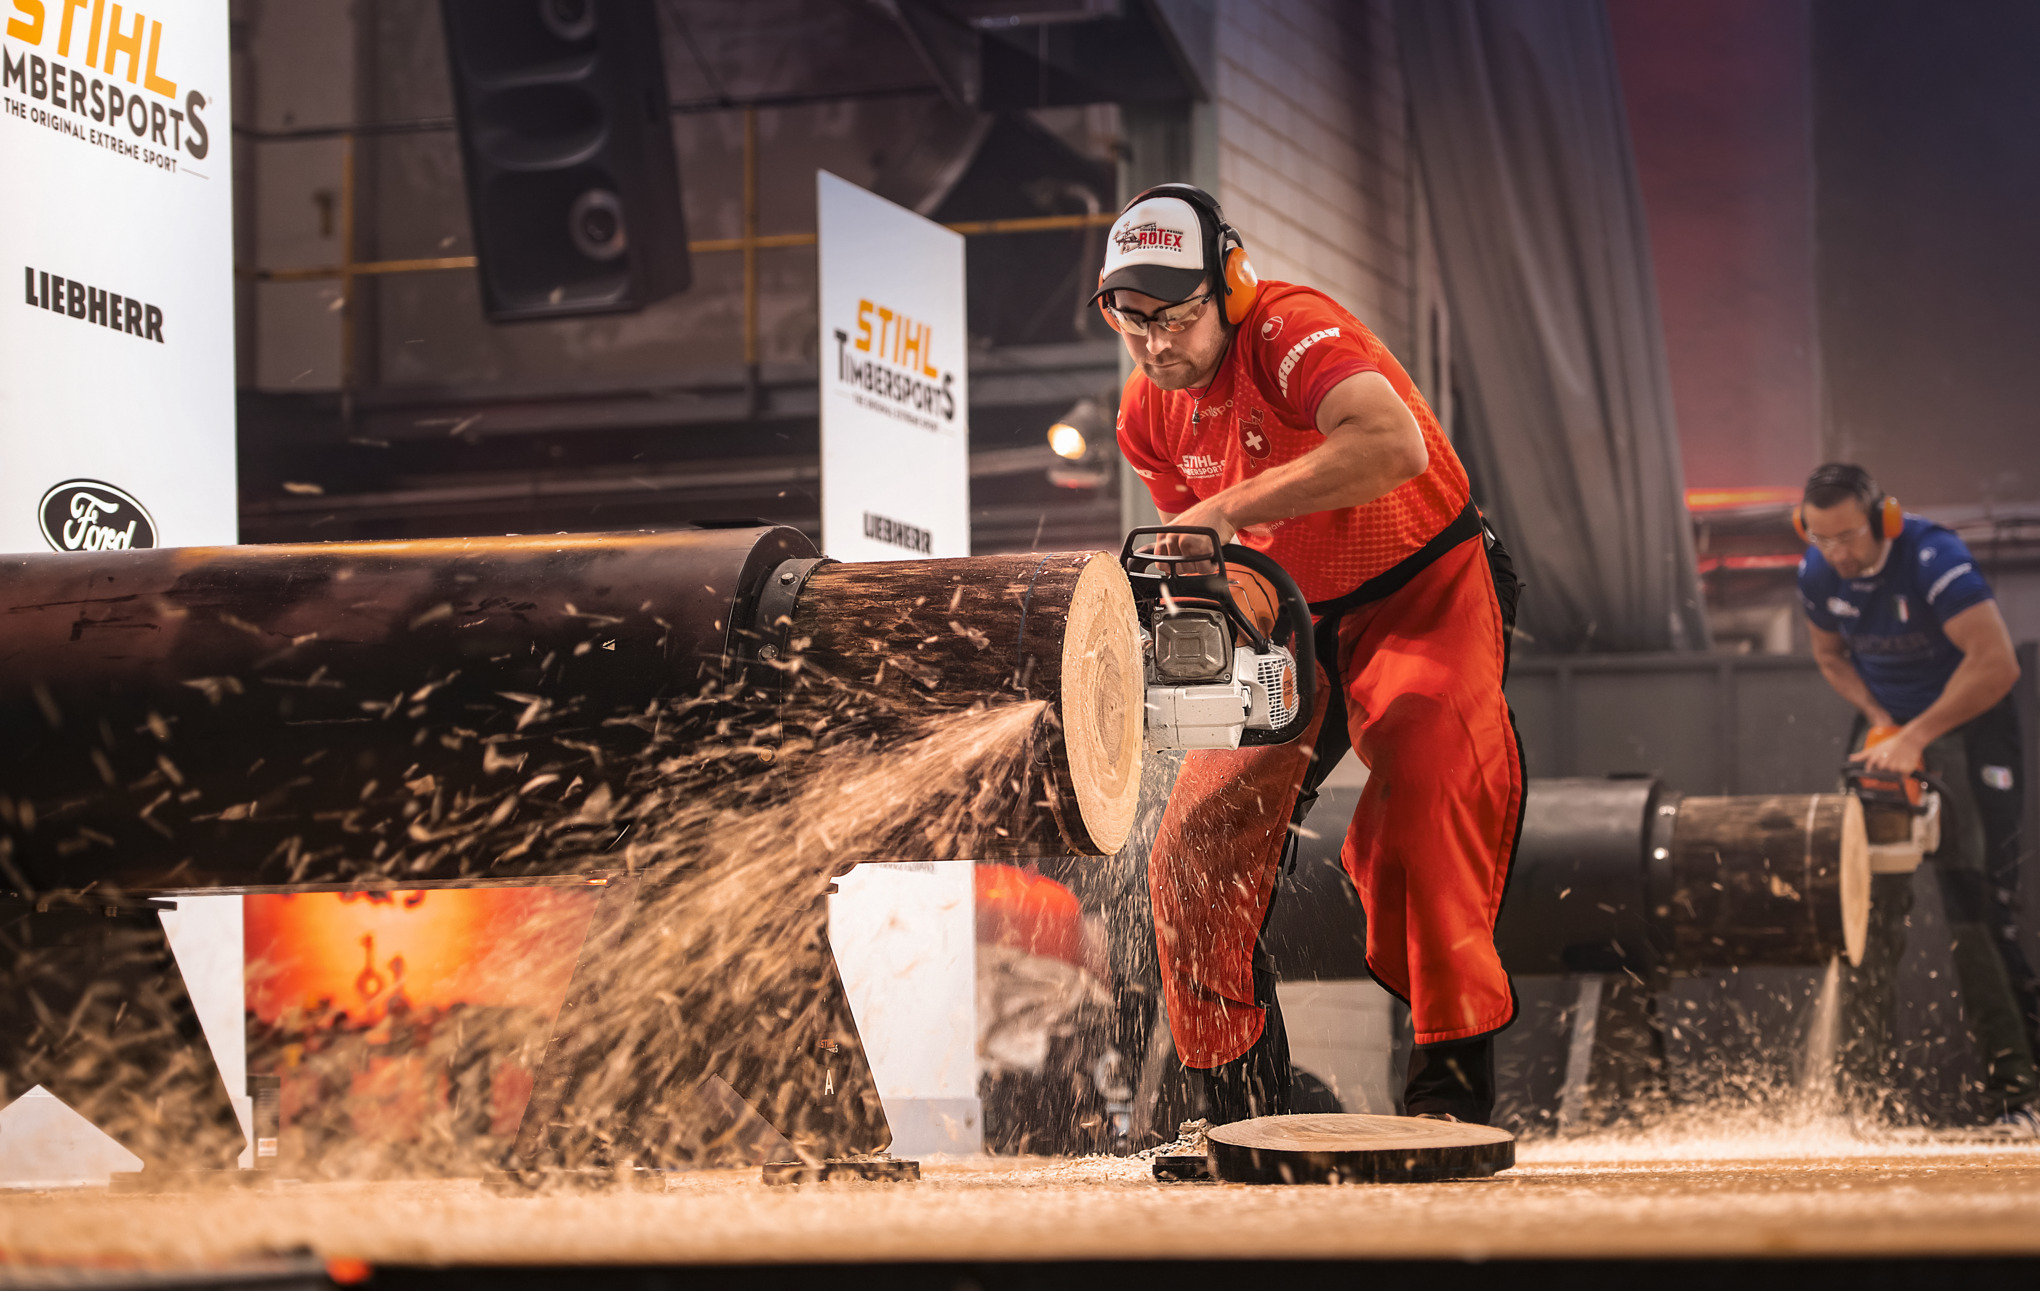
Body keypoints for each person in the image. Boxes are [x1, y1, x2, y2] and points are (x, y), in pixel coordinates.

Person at [1100, 184, 1524, 1125]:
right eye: (1133, 326)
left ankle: (1449, 1090)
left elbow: (1393, 443)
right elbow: (1211, 562)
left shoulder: (1292, 331)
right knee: (1192, 847)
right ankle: (1237, 1106)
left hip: (1421, 588)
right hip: (1286, 619)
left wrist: (1225, 509)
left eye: (1174, 317)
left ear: (1232, 283)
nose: (1157, 345)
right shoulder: (1147, 414)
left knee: (1429, 784)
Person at [1795, 462, 2038, 1132]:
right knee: (1866, 915)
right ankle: (1860, 1102)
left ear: (1883, 519)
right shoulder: (1817, 573)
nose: (1837, 553)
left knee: (1979, 909)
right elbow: (1830, 655)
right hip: (1891, 728)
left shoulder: (1934, 558)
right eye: (1822, 539)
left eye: (1848, 537)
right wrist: (1883, 721)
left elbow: (1996, 663)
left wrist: (1921, 735)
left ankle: (2021, 1098)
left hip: (1970, 725)